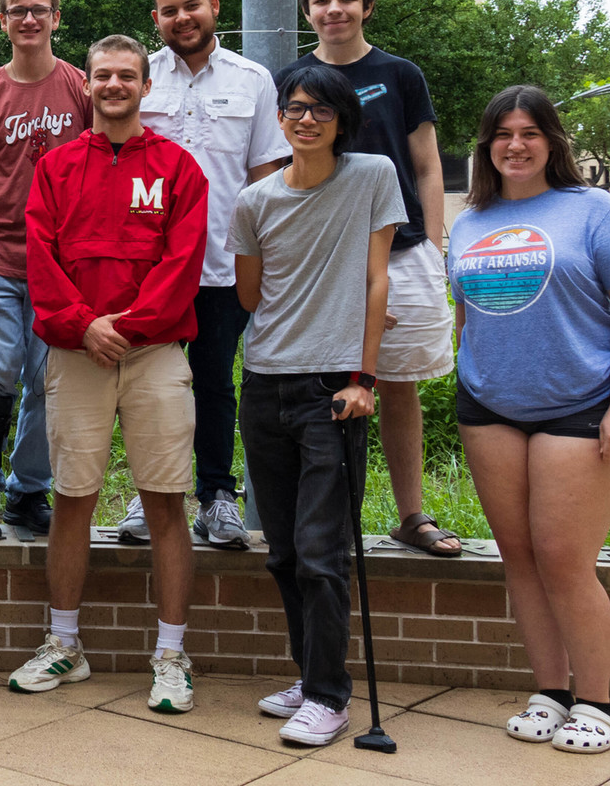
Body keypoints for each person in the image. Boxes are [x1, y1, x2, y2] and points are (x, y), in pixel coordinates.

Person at [448, 86, 610, 754]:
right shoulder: (470, 218)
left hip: (580, 405)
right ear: (486, 146)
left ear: (553, 141)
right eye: (502, 133)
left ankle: (596, 702)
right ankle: (551, 691)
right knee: (521, 558)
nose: (515, 144)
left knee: (565, 558)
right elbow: (464, 311)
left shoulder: (593, 211)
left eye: (530, 132)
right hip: (490, 407)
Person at [12, 35, 207, 716]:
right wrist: (81, 324)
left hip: (153, 354)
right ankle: (64, 644)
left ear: (146, 87)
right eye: (103, 75)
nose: (114, 84)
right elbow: (39, 258)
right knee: (72, 499)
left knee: (164, 503)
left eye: (127, 75)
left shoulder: (180, 168)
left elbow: (183, 264)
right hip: (77, 351)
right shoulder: (57, 167)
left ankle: (171, 655)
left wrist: (126, 326)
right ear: (86, 85)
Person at [227, 65, 402, 747]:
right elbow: (249, 298)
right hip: (264, 383)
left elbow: (376, 280)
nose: (306, 120)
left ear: (342, 119)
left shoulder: (371, 176)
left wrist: (365, 378)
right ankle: (310, 674)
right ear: (280, 117)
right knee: (284, 552)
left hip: (334, 389)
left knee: (323, 552)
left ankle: (329, 697)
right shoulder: (255, 201)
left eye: (321, 111)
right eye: (296, 109)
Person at [282, 0, 460, 557]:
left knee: (398, 384)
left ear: (367, 6)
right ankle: (333, 523)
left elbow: (428, 165)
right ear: (307, 10)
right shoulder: (291, 78)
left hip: (404, 252)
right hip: (323, 258)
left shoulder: (401, 74)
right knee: (326, 383)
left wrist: (434, 249)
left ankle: (411, 515)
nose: (335, 9)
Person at [131, 0, 290, 550]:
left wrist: (266, 258)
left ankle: (218, 494)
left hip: (225, 263)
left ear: (215, 6)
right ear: (157, 19)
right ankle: (150, 494)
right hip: (152, 266)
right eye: (169, 11)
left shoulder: (253, 80)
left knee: (216, 382)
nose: (182, 18)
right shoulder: (142, 78)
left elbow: (266, 177)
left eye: (191, 6)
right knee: (152, 384)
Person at [0, 0, 92, 538]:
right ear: (3, 21)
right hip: (1, 255)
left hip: (62, 261)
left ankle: (27, 490)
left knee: (48, 379)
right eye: (17, 11)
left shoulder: (81, 88)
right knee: (0, 371)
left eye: (39, 10)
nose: (28, 19)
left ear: (56, 19)